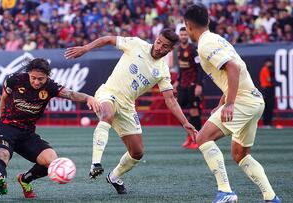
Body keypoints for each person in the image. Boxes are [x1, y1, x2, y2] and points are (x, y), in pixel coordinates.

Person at [65, 29, 197, 194]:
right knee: (106, 114)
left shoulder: (163, 71)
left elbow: (170, 99)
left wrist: (185, 122)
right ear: (155, 39)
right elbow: (107, 39)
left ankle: (114, 176)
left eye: (165, 47)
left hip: (127, 106)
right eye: (158, 42)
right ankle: (95, 163)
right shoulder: (136, 44)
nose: (158, 48)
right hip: (109, 92)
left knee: (137, 152)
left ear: (170, 50)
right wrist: (85, 48)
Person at [183, 4, 280, 203]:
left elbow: (233, 68)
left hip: (242, 101)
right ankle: (271, 198)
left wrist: (230, 104)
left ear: (188, 26)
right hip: (254, 100)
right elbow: (233, 74)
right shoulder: (218, 39)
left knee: (202, 138)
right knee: (240, 154)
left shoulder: (205, 43)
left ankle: (225, 192)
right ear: (208, 21)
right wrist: (223, 101)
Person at [0, 58, 100, 198]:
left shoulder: (50, 87)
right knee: (1, 154)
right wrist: (1, 120)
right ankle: (0, 179)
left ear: (47, 76)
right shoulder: (14, 80)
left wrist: (88, 98)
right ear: (28, 73)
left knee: (53, 162)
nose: (36, 82)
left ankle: (25, 179)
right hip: (7, 127)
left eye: (41, 79)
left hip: (27, 133)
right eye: (33, 78)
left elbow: (70, 94)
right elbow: (4, 98)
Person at [173, 27, 203, 149]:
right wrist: (177, 81)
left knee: (194, 111)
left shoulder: (193, 49)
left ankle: (198, 139)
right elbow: (181, 68)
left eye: (185, 34)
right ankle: (190, 137)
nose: (183, 36)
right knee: (181, 112)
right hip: (182, 85)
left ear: (188, 36)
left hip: (193, 84)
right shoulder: (178, 49)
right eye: (181, 34)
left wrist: (199, 84)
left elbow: (200, 68)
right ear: (179, 36)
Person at [259, 59, 275, 128]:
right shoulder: (265, 69)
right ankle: (267, 123)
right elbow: (269, 79)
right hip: (267, 89)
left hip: (268, 89)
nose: (270, 64)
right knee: (268, 106)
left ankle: (268, 123)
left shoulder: (266, 69)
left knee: (269, 106)